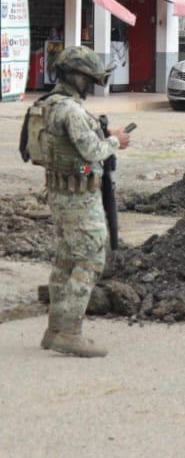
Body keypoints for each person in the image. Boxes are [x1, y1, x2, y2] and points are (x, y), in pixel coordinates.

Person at [28, 46, 130, 357]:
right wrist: (115, 141)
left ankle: (54, 330)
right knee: (90, 261)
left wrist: (104, 133)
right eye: (89, 79)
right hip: (80, 199)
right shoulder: (71, 110)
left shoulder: (49, 104)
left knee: (65, 261)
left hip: (60, 193)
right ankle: (70, 333)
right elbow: (92, 151)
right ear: (76, 77)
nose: (92, 85)